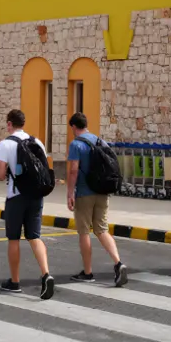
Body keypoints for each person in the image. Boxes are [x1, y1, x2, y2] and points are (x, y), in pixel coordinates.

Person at [0, 109, 54, 299]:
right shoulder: (37, 142)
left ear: (9, 124)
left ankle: (15, 282)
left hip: (16, 197)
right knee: (35, 236)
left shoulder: (5, 144)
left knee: (13, 239)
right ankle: (46, 274)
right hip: (36, 195)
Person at [65, 113, 128, 287]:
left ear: (73, 127)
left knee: (84, 232)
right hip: (102, 191)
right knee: (102, 229)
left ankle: (87, 272)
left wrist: (70, 193)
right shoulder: (100, 141)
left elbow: (73, 171)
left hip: (84, 193)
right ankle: (118, 263)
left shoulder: (76, 144)